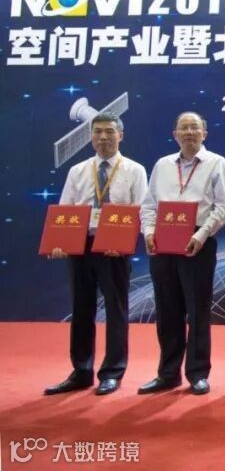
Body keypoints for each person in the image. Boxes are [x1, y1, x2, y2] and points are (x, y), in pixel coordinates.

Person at [45, 112, 148, 397]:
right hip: (81, 247)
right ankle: (81, 371)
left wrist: (125, 243)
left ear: (121, 135)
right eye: (98, 132)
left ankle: (112, 372)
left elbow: (141, 211)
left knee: (116, 310)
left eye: (109, 132)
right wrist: (59, 242)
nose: (103, 137)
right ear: (91, 137)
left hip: (114, 249)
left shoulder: (134, 170)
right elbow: (66, 210)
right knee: (81, 309)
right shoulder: (78, 170)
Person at [138, 112, 225, 395]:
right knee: (167, 310)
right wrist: (149, 232)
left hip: (198, 241)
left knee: (197, 310)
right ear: (175, 134)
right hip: (164, 241)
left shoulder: (216, 162)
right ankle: (167, 374)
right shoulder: (162, 165)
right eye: (184, 128)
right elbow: (149, 205)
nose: (189, 132)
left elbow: (222, 207)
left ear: (204, 133)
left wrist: (201, 236)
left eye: (194, 128)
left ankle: (198, 373)